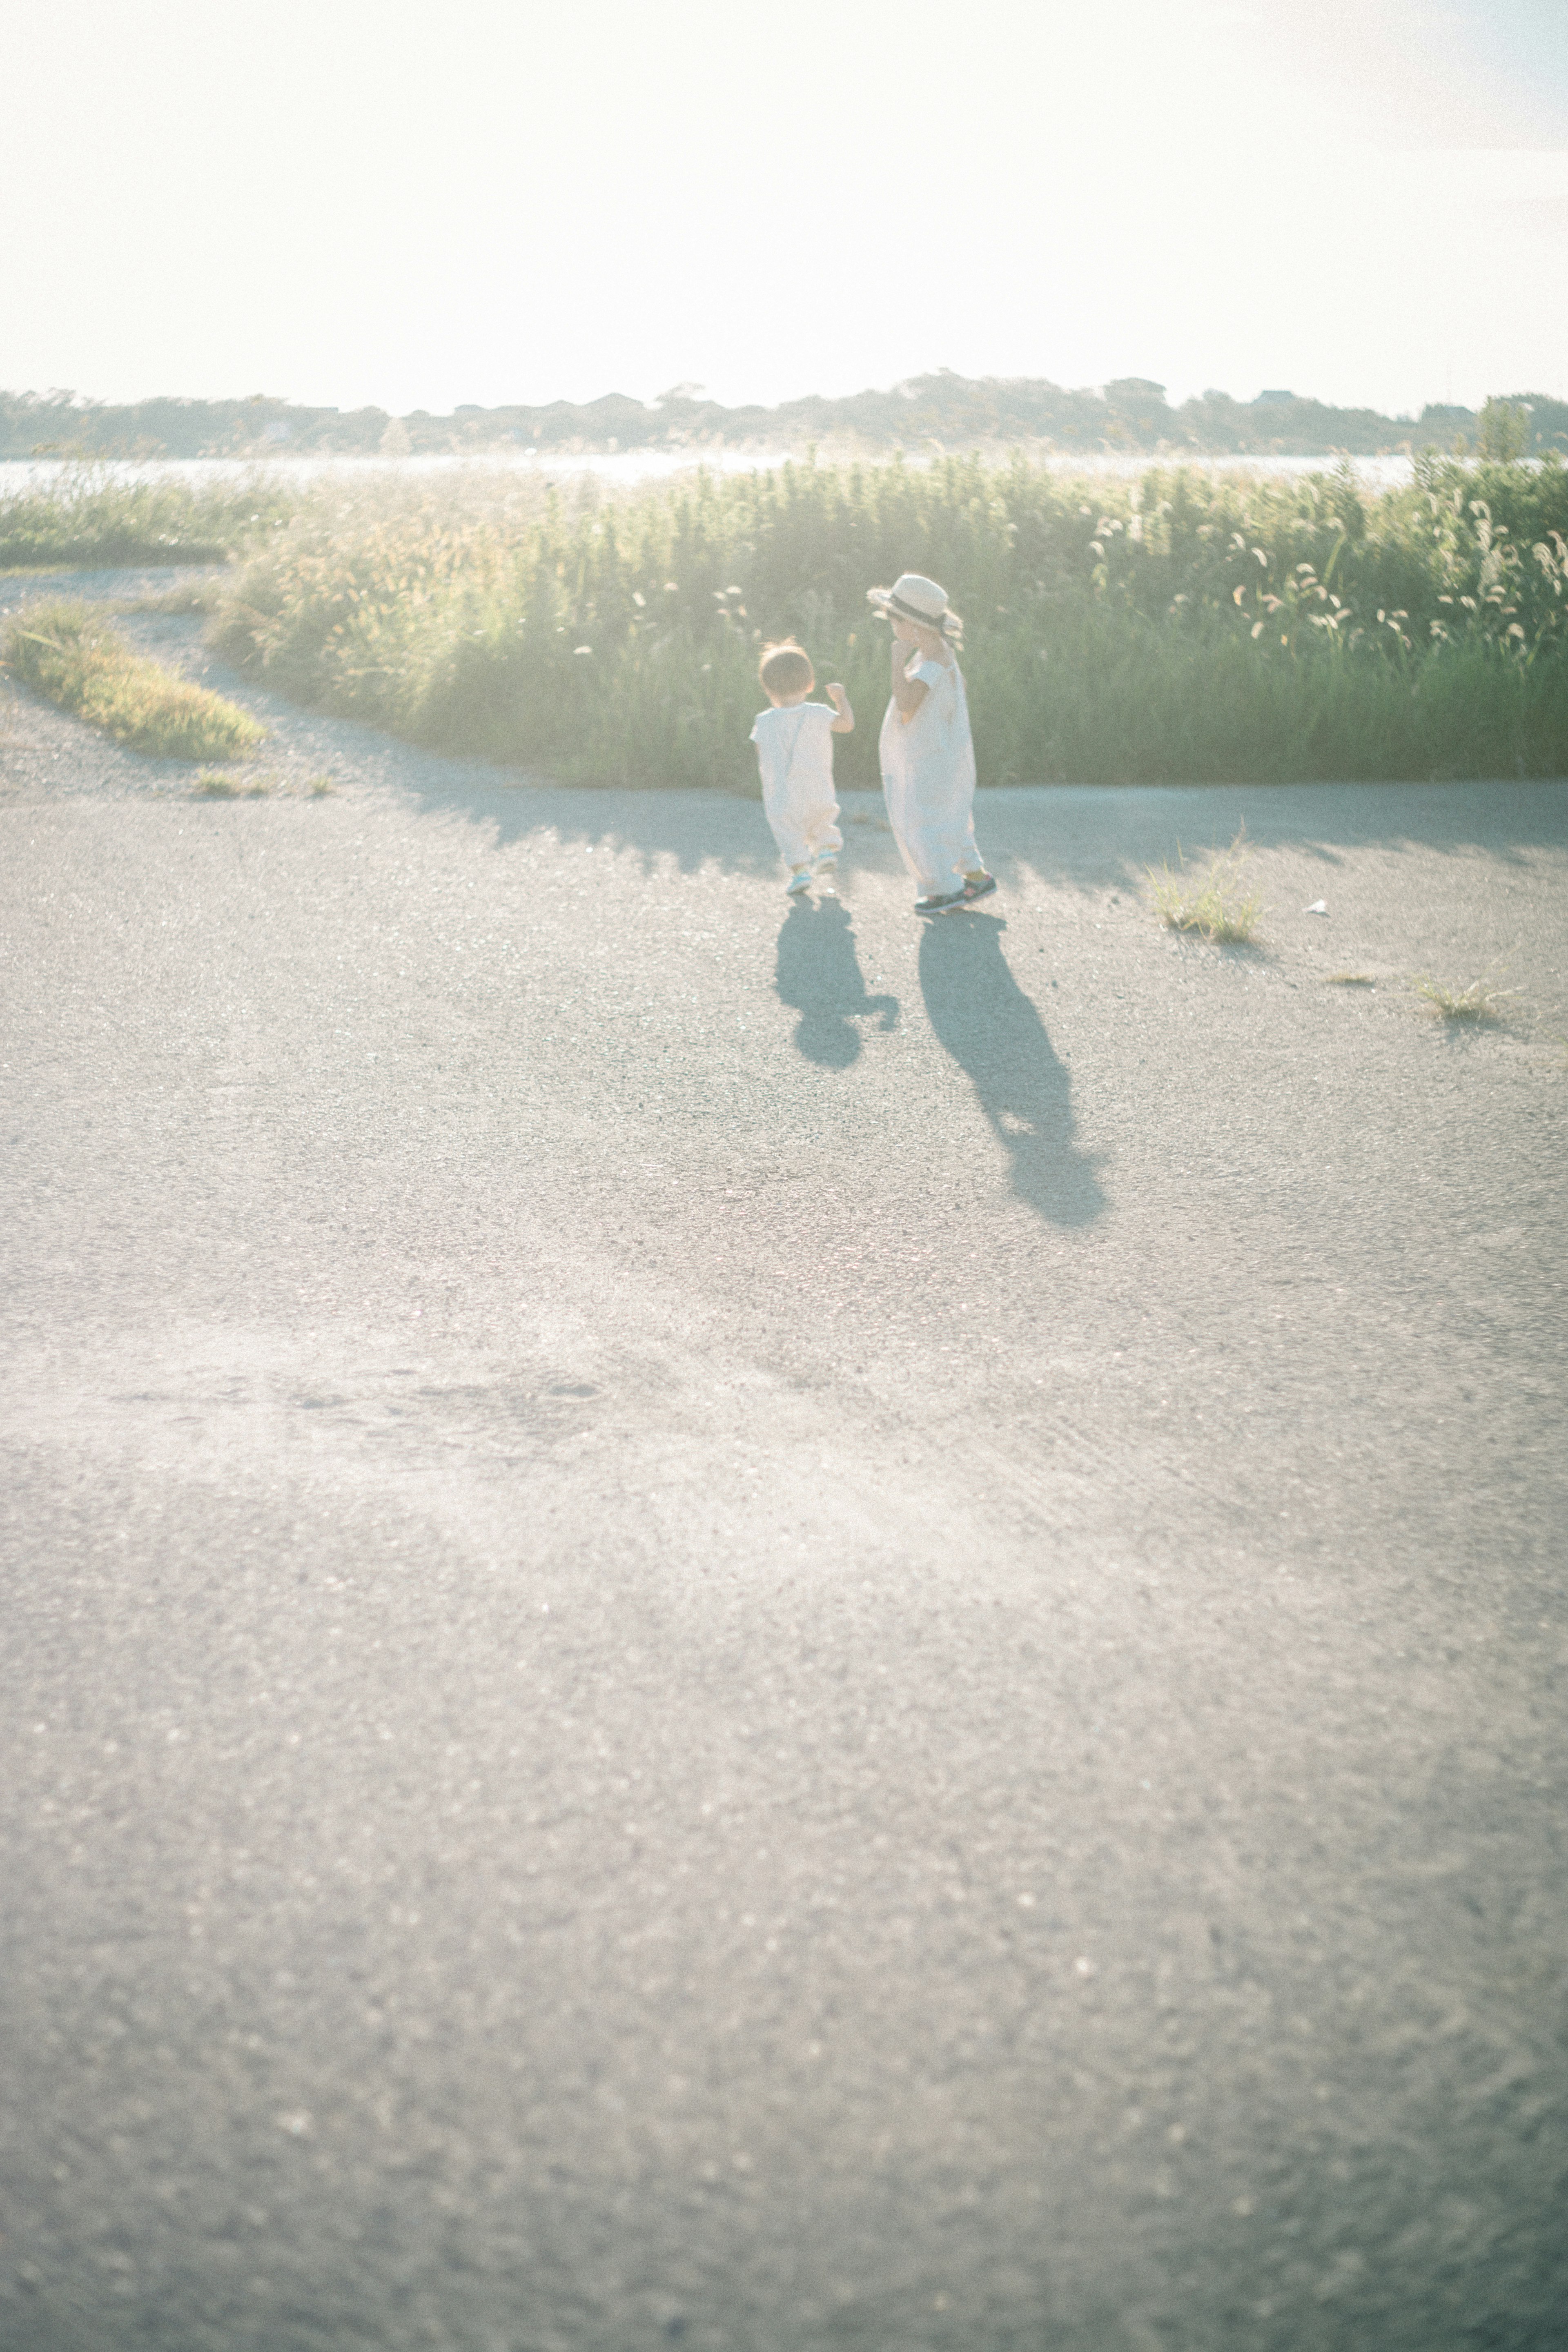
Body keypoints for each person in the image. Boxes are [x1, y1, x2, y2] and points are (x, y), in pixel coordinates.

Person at [867, 572, 996, 915]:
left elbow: (909, 702)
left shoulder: (931, 663)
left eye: (893, 618)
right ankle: (976, 876)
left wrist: (896, 663)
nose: (889, 624)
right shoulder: (943, 656)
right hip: (944, 751)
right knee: (951, 815)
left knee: (923, 819)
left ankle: (944, 889)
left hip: (929, 756)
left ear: (911, 626)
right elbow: (960, 689)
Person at [750, 641, 853, 896]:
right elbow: (846, 725)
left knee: (789, 833)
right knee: (821, 819)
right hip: (817, 787)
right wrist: (841, 699)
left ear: (767, 689)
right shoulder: (820, 713)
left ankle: (800, 873)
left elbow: (760, 752)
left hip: (783, 795)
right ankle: (825, 849)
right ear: (810, 684)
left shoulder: (763, 722)